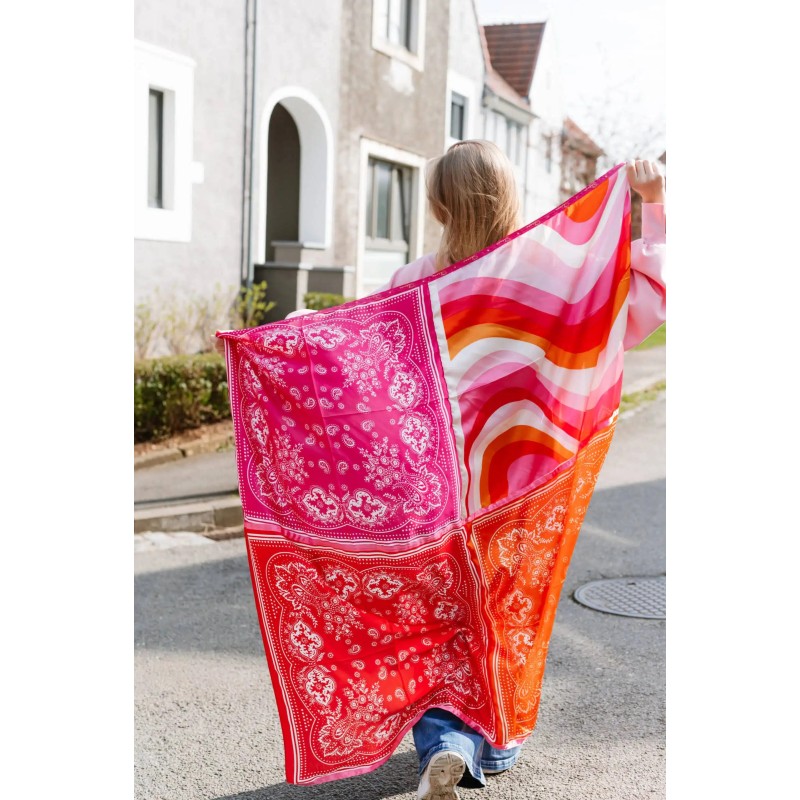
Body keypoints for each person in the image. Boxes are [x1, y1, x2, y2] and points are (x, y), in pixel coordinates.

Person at [215, 141, 665, 799]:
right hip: (519, 484)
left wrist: (279, 342)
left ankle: (449, 744)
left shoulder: (415, 282)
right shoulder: (549, 270)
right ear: (511, 198)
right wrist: (653, 206)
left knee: (435, 622)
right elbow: (640, 305)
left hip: (430, 492)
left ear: (436, 206)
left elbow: (351, 352)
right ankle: (490, 742)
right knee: (505, 611)